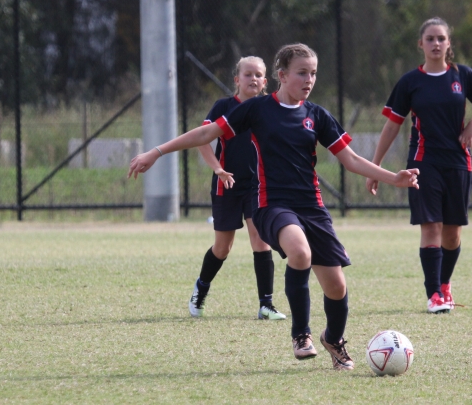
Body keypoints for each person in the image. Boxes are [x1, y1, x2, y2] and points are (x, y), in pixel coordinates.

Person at [129, 43, 419, 370]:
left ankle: (333, 339)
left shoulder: (317, 115)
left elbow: (350, 160)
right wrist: (157, 151)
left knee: (337, 286)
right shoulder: (257, 109)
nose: (309, 80)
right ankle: (301, 335)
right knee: (300, 252)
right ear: (281, 75)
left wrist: (394, 178)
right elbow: (207, 132)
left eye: (313, 73)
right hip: (271, 205)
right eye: (301, 73)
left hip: (312, 207)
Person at [365, 17, 472, 314]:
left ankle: (444, 284)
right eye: (430, 38)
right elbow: (391, 127)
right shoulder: (410, 82)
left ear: (449, 43)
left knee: (452, 234)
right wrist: (373, 168)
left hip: (457, 162)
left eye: (441, 38)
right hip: (422, 164)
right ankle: (434, 295)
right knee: (431, 227)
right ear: (421, 44)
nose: (436, 43)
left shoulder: (462, 76)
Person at [188, 56, 286, 321]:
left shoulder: (268, 107)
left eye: (258, 75)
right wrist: (218, 169)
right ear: (237, 79)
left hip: (257, 186)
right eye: (248, 74)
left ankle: (266, 304)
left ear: (266, 81)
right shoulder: (223, 106)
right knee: (223, 247)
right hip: (227, 185)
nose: (253, 79)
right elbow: (201, 140)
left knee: (260, 240)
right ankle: (201, 288)